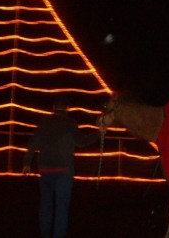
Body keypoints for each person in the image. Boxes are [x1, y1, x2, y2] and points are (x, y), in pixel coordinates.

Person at [22, 100, 105, 238]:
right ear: (67, 108)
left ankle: (44, 234)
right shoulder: (70, 123)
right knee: (62, 206)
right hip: (63, 170)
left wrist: (26, 162)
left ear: (53, 108)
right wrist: (98, 133)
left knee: (46, 205)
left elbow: (33, 143)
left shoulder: (43, 122)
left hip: (45, 169)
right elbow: (81, 142)